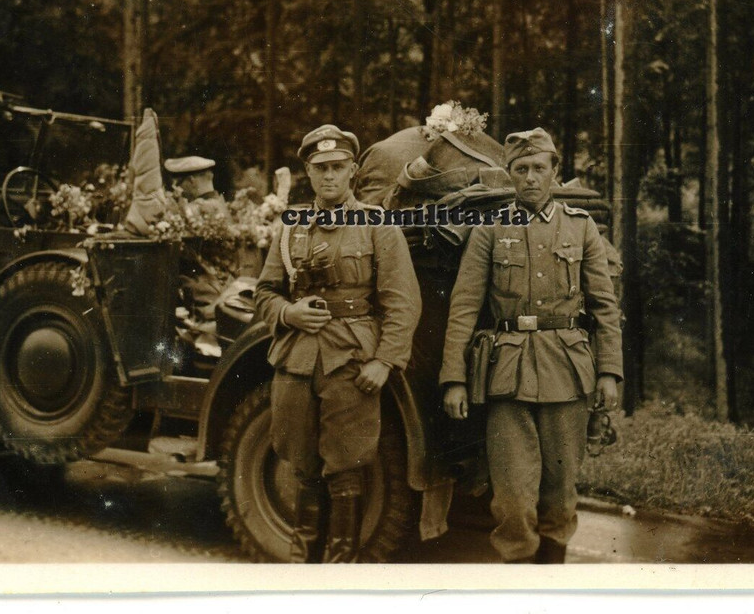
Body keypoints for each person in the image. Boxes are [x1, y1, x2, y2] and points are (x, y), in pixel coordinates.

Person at [439, 127, 623, 564]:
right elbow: (464, 307)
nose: (530, 178)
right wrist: (454, 380)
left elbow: (604, 307)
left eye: (539, 168)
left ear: (555, 171)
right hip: (507, 373)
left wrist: (609, 373)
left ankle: (550, 585)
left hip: (568, 370)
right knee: (513, 499)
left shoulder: (581, 230)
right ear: (509, 174)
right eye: (520, 169)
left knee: (559, 495)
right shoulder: (490, 229)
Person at [253, 124, 422, 563]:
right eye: (320, 168)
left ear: (352, 171)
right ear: (308, 172)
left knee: (346, 467)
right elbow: (265, 293)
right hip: (297, 358)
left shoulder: (376, 224)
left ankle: (339, 568)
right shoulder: (292, 228)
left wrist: (385, 362)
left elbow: (402, 301)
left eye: (338, 167)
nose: (329, 175)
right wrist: (289, 313)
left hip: (350, 359)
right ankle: (301, 566)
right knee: (301, 463)